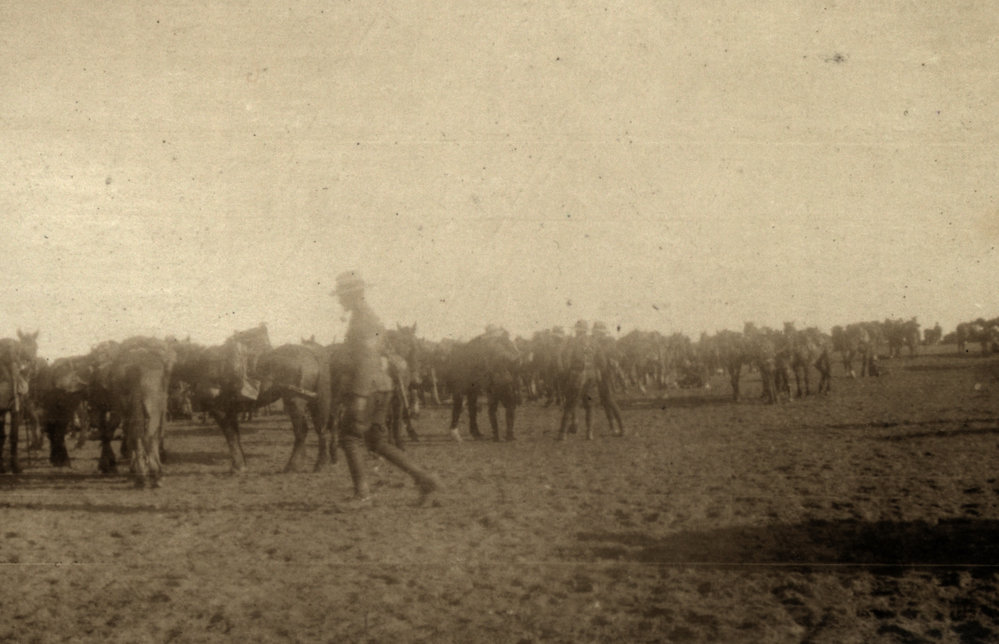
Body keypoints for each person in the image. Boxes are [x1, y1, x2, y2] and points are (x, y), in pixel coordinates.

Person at [332, 271, 441, 506]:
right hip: (382, 387)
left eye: (341, 295)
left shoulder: (363, 321)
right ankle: (425, 478)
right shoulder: (369, 317)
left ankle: (363, 495)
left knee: (349, 437)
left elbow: (367, 359)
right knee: (377, 442)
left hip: (367, 388)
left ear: (352, 295)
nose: (339, 300)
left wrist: (359, 395)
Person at [556, 319, 599, 440]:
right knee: (590, 405)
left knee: (570, 404)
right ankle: (589, 433)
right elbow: (601, 360)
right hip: (591, 375)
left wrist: (565, 373)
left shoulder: (573, 342)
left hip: (577, 375)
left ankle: (563, 434)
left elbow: (568, 359)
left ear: (577, 331)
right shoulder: (594, 342)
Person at [591, 321, 625, 436]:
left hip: (607, 374)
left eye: (596, 332)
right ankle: (612, 428)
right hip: (601, 374)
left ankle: (621, 427)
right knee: (605, 401)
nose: (594, 334)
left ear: (600, 333)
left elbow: (615, 358)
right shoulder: (598, 343)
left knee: (610, 400)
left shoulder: (608, 343)